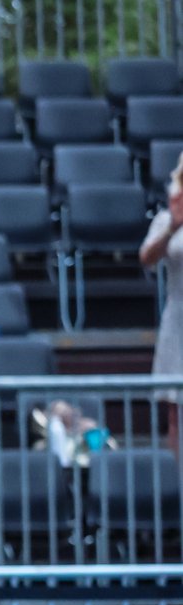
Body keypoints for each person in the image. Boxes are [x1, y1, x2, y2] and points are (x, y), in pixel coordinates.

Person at [142, 153, 183, 464]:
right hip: (178, 321)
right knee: (175, 413)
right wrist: (174, 227)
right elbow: (147, 258)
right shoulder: (167, 219)